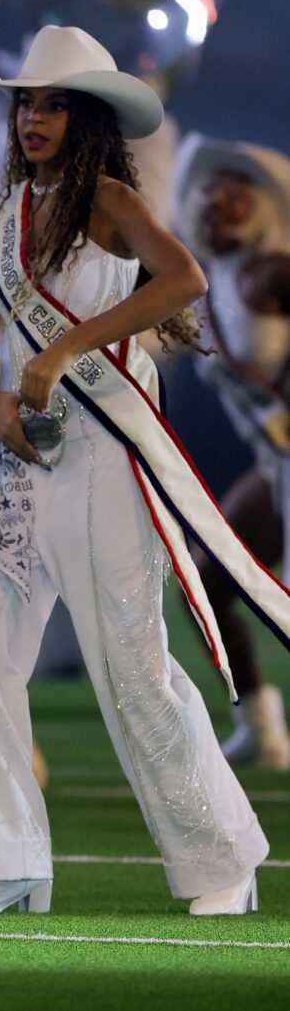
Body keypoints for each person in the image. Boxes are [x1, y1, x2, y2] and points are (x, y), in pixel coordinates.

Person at [0, 26, 285, 917]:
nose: (33, 118)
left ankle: (220, 862)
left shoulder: (111, 200)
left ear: (84, 119)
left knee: (131, 667)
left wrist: (64, 352)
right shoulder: (5, 211)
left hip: (104, 450)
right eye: (23, 103)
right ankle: (6, 866)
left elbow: (184, 279)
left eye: (51, 104)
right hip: (15, 457)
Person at [174, 134, 290, 769]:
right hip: (276, 468)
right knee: (206, 576)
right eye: (209, 188)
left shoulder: (274, 271)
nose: (217, 199)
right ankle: (262, 723)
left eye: (235, 191)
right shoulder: (201, 278)